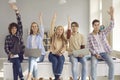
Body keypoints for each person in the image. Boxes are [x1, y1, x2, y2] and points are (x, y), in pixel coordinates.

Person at [87, 6, 114, 80]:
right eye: (95, 25)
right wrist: (95, 54)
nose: (97, 26)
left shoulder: (103, 33)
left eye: (98, 25)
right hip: (95, 54)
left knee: (111, 64)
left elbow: (111, 26)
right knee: (93, 65)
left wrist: (112, 15)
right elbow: (89, 47)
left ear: (99, 25)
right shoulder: (90, 36)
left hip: (104, 53)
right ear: (93, 26)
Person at [4, 3, 24, 80]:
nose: (14, 30)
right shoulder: (7, 37)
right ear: (10, 29)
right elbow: (6, 48)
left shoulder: (19, 34)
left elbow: (20, 22)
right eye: (12, 28)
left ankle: (16, 78)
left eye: (15, 28)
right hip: (12, 55)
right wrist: (10, 54)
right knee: (16, 61)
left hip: (19, 55)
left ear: (17, 29)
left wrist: (17, 11)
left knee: (16, 63)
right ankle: (21, 77)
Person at [26, 13, 45, 80]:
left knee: (32, 59)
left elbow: (42, 29)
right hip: (32, 55)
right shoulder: (29, 37)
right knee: (33, 60)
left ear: (37, 28)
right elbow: (28, 48)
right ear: (31, 28)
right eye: (33, 26)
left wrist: (40, 20)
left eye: (36, 26)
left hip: (40, 55)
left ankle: (29, 75)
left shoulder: (40, 36)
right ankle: (35, 78)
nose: (34, 27)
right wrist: (28, 53)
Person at [48, 13, 67, 80]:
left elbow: (64, 48)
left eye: (61, 29)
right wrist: (54, 19)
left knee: (61, 61)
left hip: (60, 55)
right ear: (56, 30)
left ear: (63, 31)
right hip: (52, 55)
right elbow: (52, 27)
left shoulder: (64, 39)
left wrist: (61, 52)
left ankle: (56, 78)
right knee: (55, 61)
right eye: (58, 29)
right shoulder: (53, 36)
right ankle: (57, 78)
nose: (60, 30)